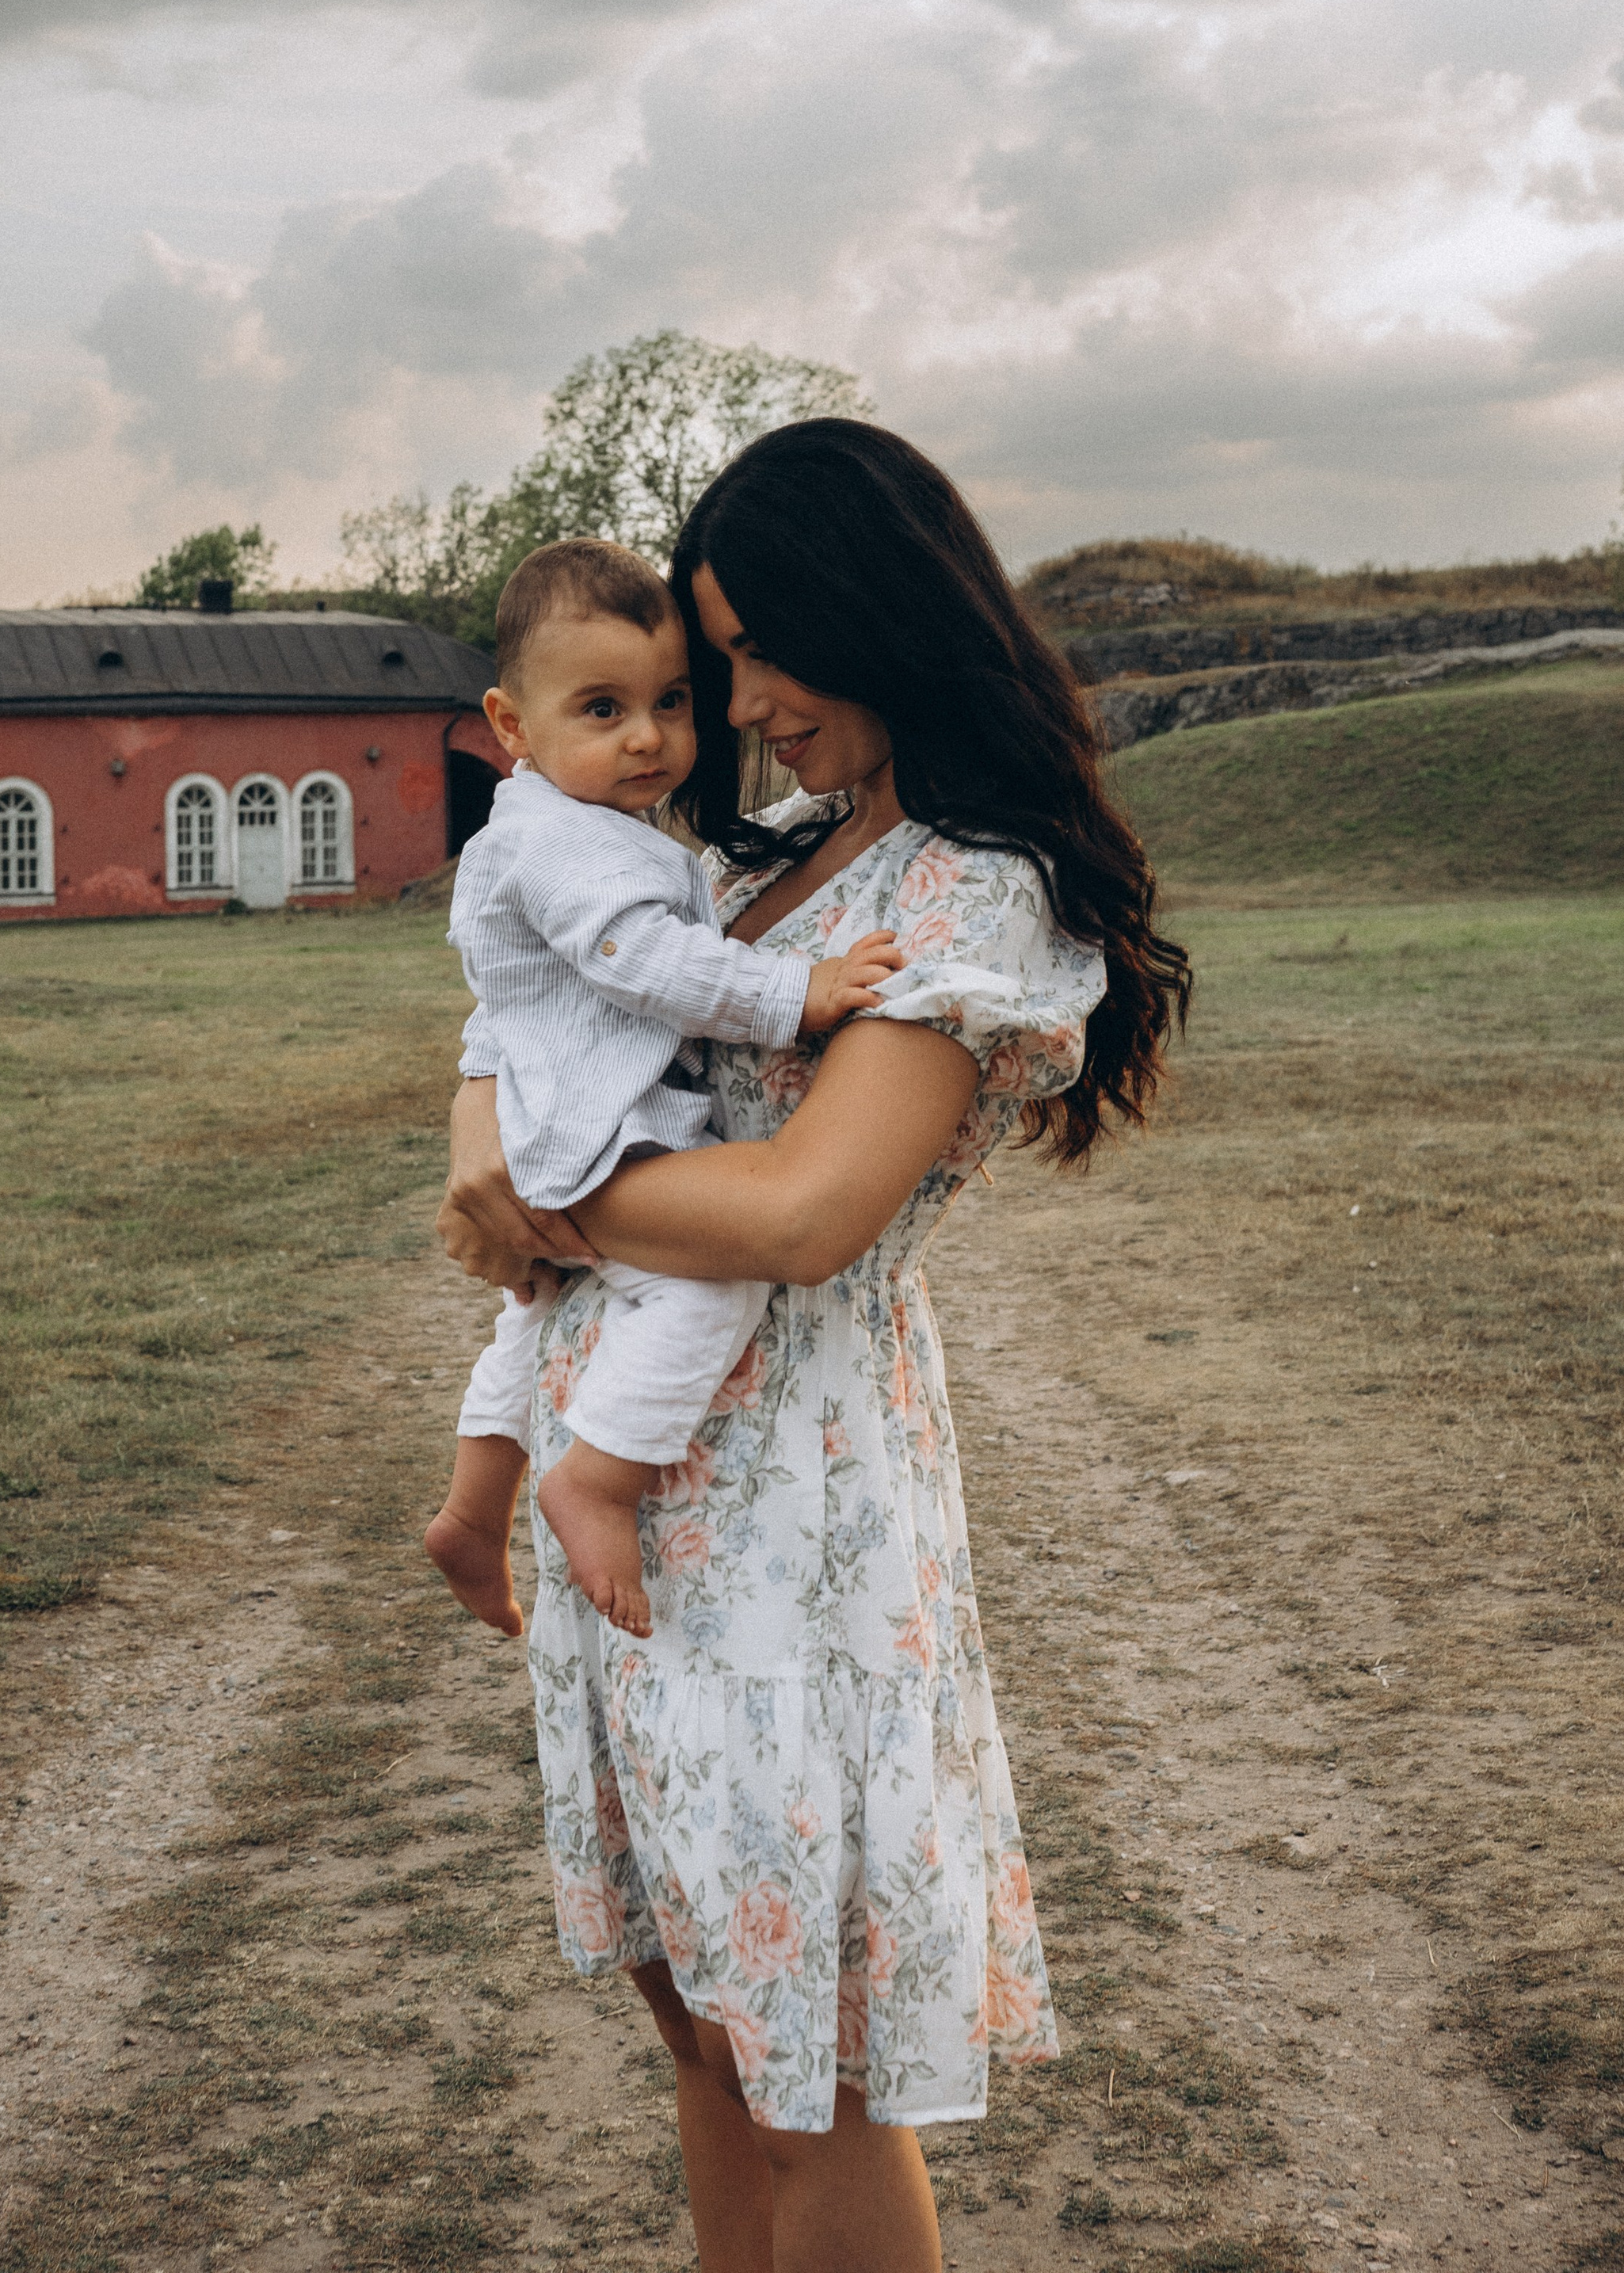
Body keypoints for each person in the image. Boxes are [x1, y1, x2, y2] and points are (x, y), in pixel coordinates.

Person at [439, 421, 1191, 2273]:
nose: (745, 701)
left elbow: (795, 1215)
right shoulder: (766, 862)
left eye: (768, 648)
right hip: (639, 1508)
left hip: (795, 1532)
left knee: (816, 2071)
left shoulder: (967, 891)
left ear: (881, 614)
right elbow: (536, 1020)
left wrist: (535, 1193)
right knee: (708, 2037)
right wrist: (482, 1148)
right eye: (718, 661)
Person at [425, 536, 906, 1642]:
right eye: (602, 709)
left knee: (537, 1310)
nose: (650, 736)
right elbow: (647, 966)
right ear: (511, 727)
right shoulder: (571, 844)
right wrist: (801, 993)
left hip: (560, 1118)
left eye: (672, 700)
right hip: (600, 1126)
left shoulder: (579, 827)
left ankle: (471, 1505)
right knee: (708, 1289)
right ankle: (596, 1477)